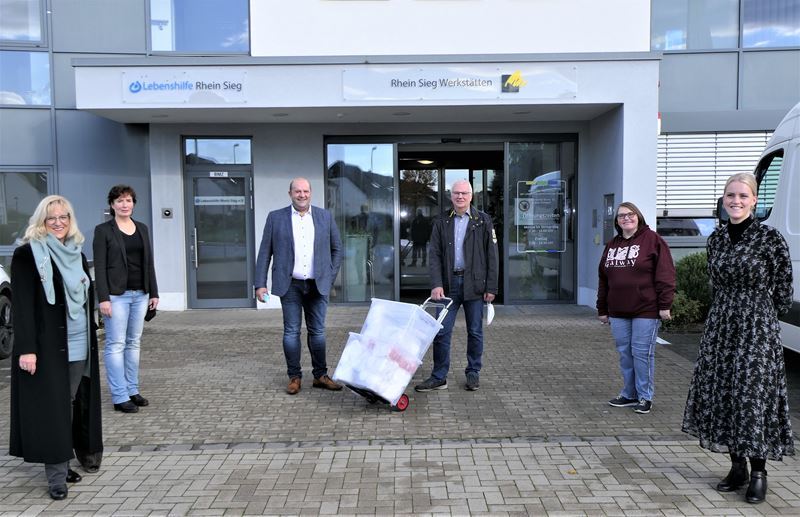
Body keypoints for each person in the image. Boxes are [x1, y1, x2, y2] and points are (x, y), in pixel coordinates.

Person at [682, 173, 794, 505]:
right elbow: (713, 282)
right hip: (721, 326)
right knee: (724, 393)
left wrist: (760, 314)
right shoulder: (715, 239)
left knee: (752, 397)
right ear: (723, 199)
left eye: (743, 196)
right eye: (731, 195)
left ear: (755, 200)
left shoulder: (769, 238)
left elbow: (784, 288)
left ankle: (759, 473)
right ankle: (737, 467)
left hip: (757, 327)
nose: (736, 201)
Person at [10, 195, 103, 501]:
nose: (59, 222)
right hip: (46, 346)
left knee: (71, 403)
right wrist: (26, 349)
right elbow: (22, 306)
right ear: (42, 221)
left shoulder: (75, 251)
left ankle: (62, 462)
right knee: (54, 408)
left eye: (64, 217)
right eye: (52, 218)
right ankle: (56, 478)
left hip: (79, 343)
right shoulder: (27, 254)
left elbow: (84, 295)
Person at [255, 177, 344, 395]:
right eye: (297, 191)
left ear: (311, 193)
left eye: (305, 191)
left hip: (317, 286)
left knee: (318, 332)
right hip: (290, 285)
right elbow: (265, 252)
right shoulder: (276, 218)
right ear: (290, 194)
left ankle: (320, 375)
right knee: (291, 332)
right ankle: (294, 377)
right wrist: (260, 284)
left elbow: (337, 249)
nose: (302, 195)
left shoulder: (325, 216)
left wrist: (328, 277)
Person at [415, 180, 498, 392]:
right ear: (450, 196)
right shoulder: (442, 220)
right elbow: (434, 255)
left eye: (464, 193)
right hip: (448, 285)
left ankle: (473, 373)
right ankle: (439, 376)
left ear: (471, 195)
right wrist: (436, 283)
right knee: (441, 332)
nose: (460, 197)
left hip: (475, 285)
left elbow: (492, 256)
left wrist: (492, 287)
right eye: (456, 193)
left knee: (475, 331)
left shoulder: (483, 221)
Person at [596, 202, 675, 415]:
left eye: (630, 214)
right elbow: (604, 279)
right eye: (621, 216)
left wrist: (665, 304)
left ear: (638, 216)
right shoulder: (612, 245)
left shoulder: (653, 241)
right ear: (617, 221)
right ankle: (629, 394)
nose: (626, 218)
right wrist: (602, 309)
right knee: (625, 354)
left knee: (641, 353)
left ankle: (644, 396)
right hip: (618, 311)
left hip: (646, 310)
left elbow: (666, 274)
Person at [93, 185, 159, 414]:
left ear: (133, 203)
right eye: (120, 201)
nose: (124, 204)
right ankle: (120, 396)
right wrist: (103, 298)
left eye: (128, 200)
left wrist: (154, 292)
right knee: (115, 345)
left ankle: (132, 390)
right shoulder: (103, 231)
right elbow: (99, 267)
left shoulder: (142, 228)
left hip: (140, 294)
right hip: (116, 296)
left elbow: (148, 262)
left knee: (134, 343)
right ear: (112, 205)